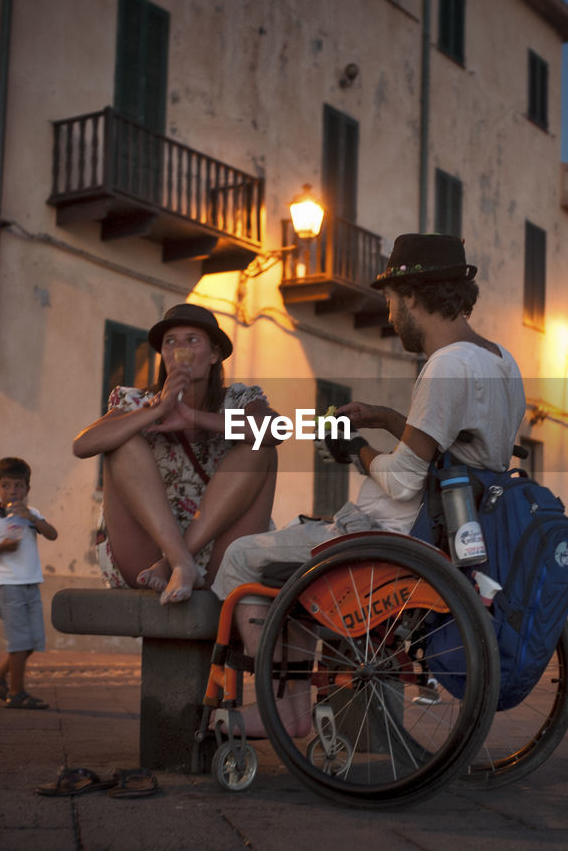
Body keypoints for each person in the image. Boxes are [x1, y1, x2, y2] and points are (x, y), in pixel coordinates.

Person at [211, 232, 527, 734]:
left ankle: (290, 708)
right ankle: (295, 688)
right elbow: (456, 453)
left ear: (413, 298)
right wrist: (382, 417)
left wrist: (352, 449)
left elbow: (403, 481)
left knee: (240, 559)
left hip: (390, 536)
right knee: (285, 560)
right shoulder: (499, 362)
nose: (388, 315)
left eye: (390, 301)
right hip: (448, 532)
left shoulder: (446, 367)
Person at [73, 304, 279, 604]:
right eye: (170, 342)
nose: (179, 348)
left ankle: (179, 561)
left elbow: (276, 430)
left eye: (192, 339)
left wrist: (194, 418)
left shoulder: (239, 399)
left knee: (259, 445)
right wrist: (158, 409)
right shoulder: (136, 401)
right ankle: (180, 560)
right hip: (148, 550)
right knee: (122, 442)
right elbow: (83, 445)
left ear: (214, 355)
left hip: (219, 549)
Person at [0, 457, 59, 709]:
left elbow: (52, 534)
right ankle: (16, 693)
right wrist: (1, 548)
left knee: (32, 641)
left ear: (27, 489)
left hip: (31, 584)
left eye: (18, 485)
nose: (12, 491)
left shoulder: (32, 515)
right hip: (7, 586)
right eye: (6, 485)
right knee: (20, 643)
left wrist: (32, 517)